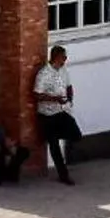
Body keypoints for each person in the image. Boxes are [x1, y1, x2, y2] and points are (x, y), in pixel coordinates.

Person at [33, 45, 81, 185]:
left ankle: (50, 135)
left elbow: (68, 85)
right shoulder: (44, 74)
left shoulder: (63, 70)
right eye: (64, 57)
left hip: (61, 111)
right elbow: (37, 94)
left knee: (76, 134)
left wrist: (70, 98)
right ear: (57, 57)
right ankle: (63, 175)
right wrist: (55, 99)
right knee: (54, 146)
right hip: (47, 114)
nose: (65, 60)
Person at [0, 107, 31, 186]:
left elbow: (6, 139)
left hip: (2, 148)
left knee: (23, 151)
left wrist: (11, 144)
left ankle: (11, 175)